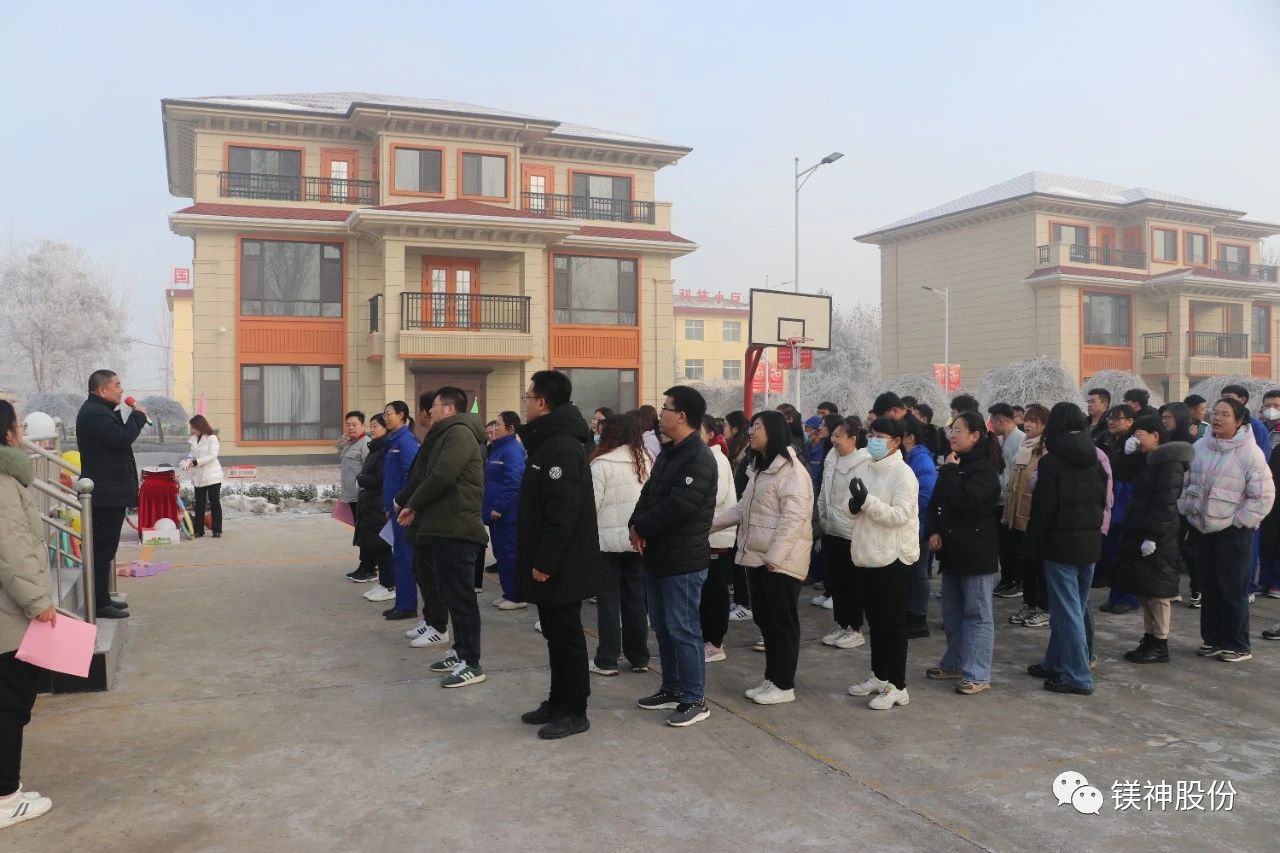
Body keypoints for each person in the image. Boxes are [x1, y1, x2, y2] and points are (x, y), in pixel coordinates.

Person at [515, 371, 601, 738]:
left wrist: (545, 562)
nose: (525, 403)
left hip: (562, 564)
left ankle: (575, 710)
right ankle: (557, 700)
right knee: (554, 634)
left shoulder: (562, 446)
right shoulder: (546, 442)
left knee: (567, 637)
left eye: (528, 397)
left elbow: (562, 513)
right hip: (550, 560)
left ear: (542, 402)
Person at [629, 386, 718, 727]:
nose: (660, 413)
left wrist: (643, 527)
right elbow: (649, 493)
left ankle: (694, 698)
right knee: (664, 628)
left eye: (665, 408)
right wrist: (635, 524)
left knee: (684, 629)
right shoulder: (670, 452)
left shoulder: (699, 457)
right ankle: (672, 688)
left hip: (683, 560)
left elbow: (680, 507)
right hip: (659, 556)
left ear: (681, 416)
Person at [712, 410, 814, 706]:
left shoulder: (792, 471)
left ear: (774, 432)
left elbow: (794, 519)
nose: (751, 432)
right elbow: (742, 509)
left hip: (779, 562)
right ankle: (772, 678)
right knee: (766, 621)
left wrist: (776, 557)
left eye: (757, 427)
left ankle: (784, 684)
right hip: (758, 558)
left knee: (782, 623)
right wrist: (709, 524)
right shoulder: (760, 468)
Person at [398, 388, 489, 687]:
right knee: (451, 595)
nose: (430, 411)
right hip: (443, 525)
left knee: (462, 599)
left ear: (449, 408)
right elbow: (429, 475)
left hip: (458, 527)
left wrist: (413, 504)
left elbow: (442, 475)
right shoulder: (445, 434)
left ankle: (471, 662)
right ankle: (459, 651)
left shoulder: (459, 433)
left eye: (435, 406)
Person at [1178, 397, 1275, 663]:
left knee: (1232, 589)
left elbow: (1263, 497)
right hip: (1202, 529)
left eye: (1225, 414)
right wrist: (1186, 507)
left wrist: (1240, 521)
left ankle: (1238, 644)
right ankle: (1212, 639)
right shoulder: (1200, 446)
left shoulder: (1249, 453)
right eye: (1215, 413)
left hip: (1234, 532)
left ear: (1239, 420)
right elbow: (1186, 482)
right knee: (1209, 586)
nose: (1217, 418)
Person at [1023, 403, 1108, 696]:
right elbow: (1103, 502)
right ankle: (1056, 662)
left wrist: (1031, 547)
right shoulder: (1096, 459)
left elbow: (1043, 511)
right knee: (1073, 609)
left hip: (1060, 547)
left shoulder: (1052, 463)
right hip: (1089, 544)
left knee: (1068, 612)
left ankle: (1078, 676)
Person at [0, 401, 56, 829]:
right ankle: (5, 799)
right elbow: (11, 551)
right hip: (8, 616)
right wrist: (39, 602)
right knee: (9, 707)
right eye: (18, 424)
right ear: (8, 433)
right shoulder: (3, 481)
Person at [844, 417, 920, 710]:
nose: (873, 440)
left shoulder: (903, 474)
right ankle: (879, 675)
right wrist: (853, 505)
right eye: (872, 434)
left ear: (896, 442)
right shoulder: (866, 467)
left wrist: (866, 502)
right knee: (875, 621)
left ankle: (898, 686)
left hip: (894, 557)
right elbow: (853, 504)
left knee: (892, 624)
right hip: (868, 555)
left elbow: (899, 516)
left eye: (880, 436)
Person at [924, 411, 1002, 695]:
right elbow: (936, 502)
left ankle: (977, 673)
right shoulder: (955, 464)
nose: (952, 435)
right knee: (953, 612)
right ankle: (955, 662)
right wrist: (933, 531)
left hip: (976, 553)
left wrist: (948, 472)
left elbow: (964, 501)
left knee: (977, 614)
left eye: (958, 430)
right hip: (952, 551)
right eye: (951, 430)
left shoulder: (983, 470)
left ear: (975, 436)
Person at [1112, 416, 1194, 664]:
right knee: (1144, 589)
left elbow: (1166, 503)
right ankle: (1149, 638)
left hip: (1159, 534)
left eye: (1139, 435)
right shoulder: (1146, 459)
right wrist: (1126, 453)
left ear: (1155, 435)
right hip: (1140, 527)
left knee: (1158, 593)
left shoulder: (1170, 464)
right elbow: (1120, 472)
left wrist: (1153, 536)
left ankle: (1160, 643)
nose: (1136, 439)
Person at [76, 369, 147, 619]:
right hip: (105, 494)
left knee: (106, 550)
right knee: (101, 551)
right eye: (117, 385)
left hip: (110, 491)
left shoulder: (101, 411)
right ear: (102, 389)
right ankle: (98, 603)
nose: (121, 389)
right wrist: (138, 416)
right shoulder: (95, 413)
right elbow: (121, 439)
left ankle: (103, 598)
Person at [589, 413, 652, 677]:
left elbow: (591, 506)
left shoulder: (601, 464)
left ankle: (607, 658)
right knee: (636, 600)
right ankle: (639, 657)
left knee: (608, 601)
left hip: (606, 544)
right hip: (636, 541)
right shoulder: (646, 460)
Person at [816, 417, 867, 650]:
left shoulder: (863, 462)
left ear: (853, 439)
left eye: (838, 436)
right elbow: (823, 491)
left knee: (851, 583)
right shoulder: (831, 457)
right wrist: (821, 517)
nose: (833, 439)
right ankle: (842, 623)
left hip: (849, 531)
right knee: (835, 581)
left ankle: (855, 629)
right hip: (830, 528)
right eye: (833, 435)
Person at [1004, 404, 1050, 628]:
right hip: (1017, 513)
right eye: (1027, 420)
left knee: (1038, 564)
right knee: (1026, 563)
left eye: (1034, 421)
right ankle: (1029, 603)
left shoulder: (1045, 449)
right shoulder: (1024, 445)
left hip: (1033, 514)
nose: (1028, 424)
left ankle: (1043, 607)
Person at [700, 415, 739, 663]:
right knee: (707, 592)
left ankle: (715, 644)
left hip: (716, 535)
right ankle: (708, 639)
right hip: (706, 533)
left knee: (715, 592)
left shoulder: (716, 458)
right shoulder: (706, 455)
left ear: (709, 434)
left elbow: (717, 495)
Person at [381, 400, 423, 624]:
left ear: (402, 415)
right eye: (384, 414)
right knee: (398, 556)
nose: (385, 418)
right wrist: (388, 507)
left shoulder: (406, 441)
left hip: (404, 511)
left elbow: (412, 477)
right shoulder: (393, 440)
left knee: (405, 558)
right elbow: (391, 479)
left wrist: (406, 505)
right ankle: (402, 603)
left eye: (389, 414)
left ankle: (407, 606)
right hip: (395, 509)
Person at [1097, 405, 1140, 615]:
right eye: (1110, 418)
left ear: (1130, 421)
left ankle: (1129, 597)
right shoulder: (1106, 440)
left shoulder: (1134, 443)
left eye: (1117, 418)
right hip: (1112, 499)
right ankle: (1115, 595)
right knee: (1112, 552)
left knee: (1127, 553)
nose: (1112, 422)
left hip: (1126, 499)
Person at [484, 411, 526, 609]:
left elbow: (514, 481)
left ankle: (517, 596)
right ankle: (508, 592)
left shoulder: (513, 450)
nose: (494, 428)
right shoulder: (497, 449)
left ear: (511, 428)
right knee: (500, 553)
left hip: (507, 513)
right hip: (495, 513)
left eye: (499, 424)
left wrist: (499, 506)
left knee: (509, 553)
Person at [901, 414, 938, 639]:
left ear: (910, 438)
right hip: (911, 524)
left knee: (919, 572)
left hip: (918, 525)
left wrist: (906, 512)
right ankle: (910, 613)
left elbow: (926, 496)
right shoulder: (910, 457)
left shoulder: (921, 459)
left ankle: (918, 618)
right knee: (912, 572)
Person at [356, 414, 396, 603]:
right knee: (376, 546)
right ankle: (383, 582)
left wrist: (361, 479)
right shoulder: (376, 447)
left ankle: (390, 585)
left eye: (375, 426)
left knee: (383, 546)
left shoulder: (386, 448)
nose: (372, 430)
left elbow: (381, 478)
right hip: (371, 503)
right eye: (370, 426)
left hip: (380, 503)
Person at [989, 403, 1026, 599]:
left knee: (1013, 544)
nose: (992, 425)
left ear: (1001, 421)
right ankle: (1007, 578)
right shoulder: (1002, 440)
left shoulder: (1020, 440)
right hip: (1001, 498)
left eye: (993, 422)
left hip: (1011, 500)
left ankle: (1016, 580)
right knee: (1003, 545)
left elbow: (1015, 473)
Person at [337, 411, 372, 578]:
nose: (351, 428)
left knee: (365, 533)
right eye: (348, 425)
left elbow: (369, 471)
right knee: (360, 533)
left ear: (362, 425)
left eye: (354, 424)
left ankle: (369, 567)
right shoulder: (349, 444)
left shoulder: (366, 444)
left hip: (362, 498)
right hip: (351, 497)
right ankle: (365, 565)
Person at [183, 415, 224, 540]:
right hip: (199, 477)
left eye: (192, 427)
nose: (191, 429)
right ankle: (199, 530)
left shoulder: (212, 438)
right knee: (199, 504)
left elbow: (212, 456)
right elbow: (192, 453)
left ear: (199, 426)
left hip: (212, 475)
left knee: (214, 502)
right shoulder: (194, 439)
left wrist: (196, 462)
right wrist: (188, 460)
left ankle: (217, 530)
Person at [1220, 384, 1271, 460]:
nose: (1224, 401)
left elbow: (1263, 456)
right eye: (1222, 398)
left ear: (1242, 400)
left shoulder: (1256, 426)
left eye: (1228, 398)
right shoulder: (1218, 422)